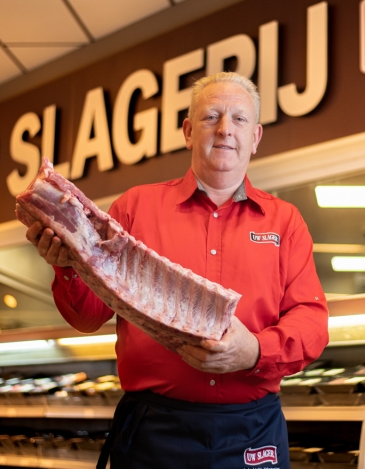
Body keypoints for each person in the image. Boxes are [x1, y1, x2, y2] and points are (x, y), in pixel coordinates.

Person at [25, 72, 329, 468]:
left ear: (254, 138)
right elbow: (87, 317)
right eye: (211, 117)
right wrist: (66, 268)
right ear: (188, 131)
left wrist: (253, 350)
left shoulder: (284, 222)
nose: (224, 130)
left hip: (252, 431)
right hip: (155, 432)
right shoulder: (135, 208)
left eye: (238, 119)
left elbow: (312, 322)